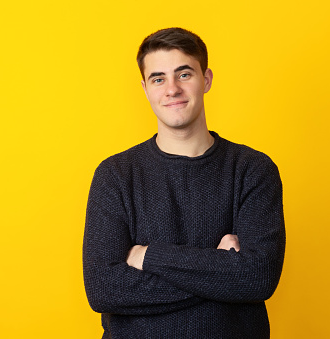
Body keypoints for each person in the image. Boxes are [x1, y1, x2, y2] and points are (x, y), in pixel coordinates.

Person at [83, 27, 285, 339]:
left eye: (184, 74)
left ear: (206, 79)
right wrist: (220, 269)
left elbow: (257, 277)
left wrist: (147, 257)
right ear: (145, 89)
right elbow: (104, 288)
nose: (172, 88)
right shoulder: (115, 174)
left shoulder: (253, 169)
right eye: (158, 78)